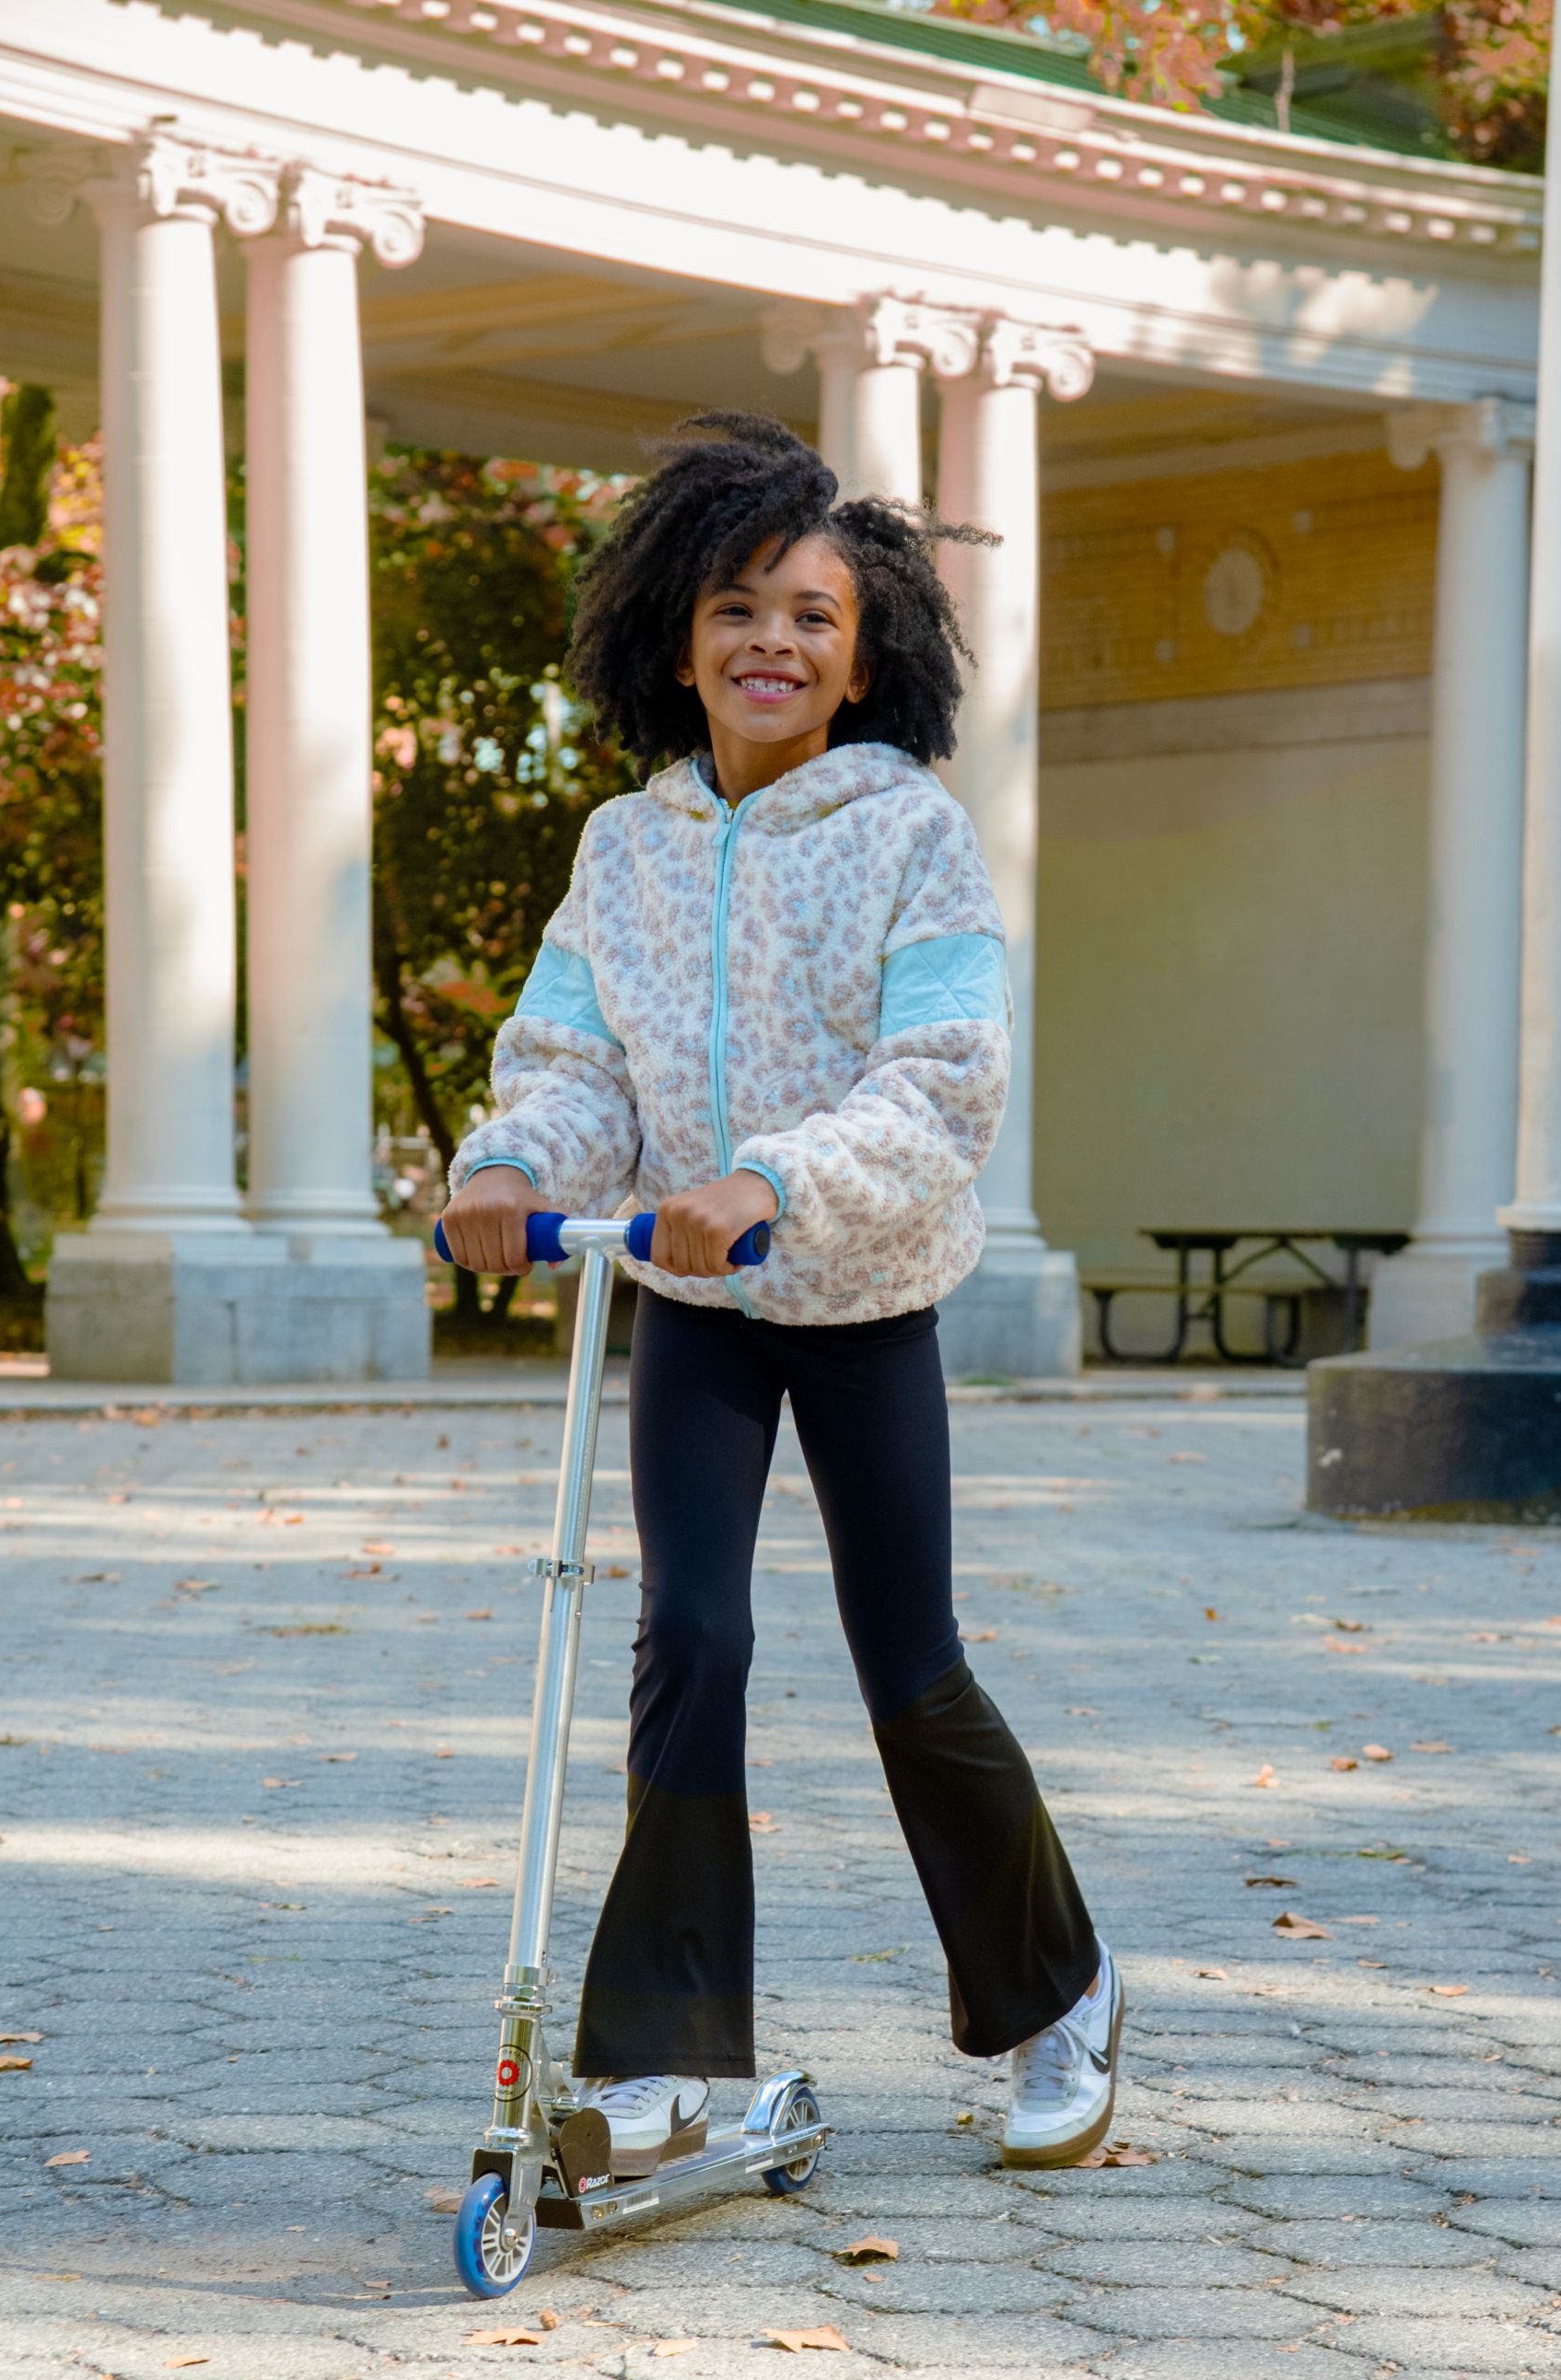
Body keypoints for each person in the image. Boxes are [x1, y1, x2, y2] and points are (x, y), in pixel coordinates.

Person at [438, 410, 1119, 2179]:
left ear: (865, 651)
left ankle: (1056, 1993)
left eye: (812, 616)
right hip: (699, 1310)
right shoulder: (626, 845)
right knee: (692, 1639)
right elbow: (575, 1057)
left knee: (910, 1665)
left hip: (867, 1292)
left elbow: (948, 1074)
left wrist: (773, 1181)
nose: (772, 643)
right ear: (677, 639)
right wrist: (515, 1169)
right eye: (739, 609)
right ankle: (662, 2055)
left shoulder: (910, 833)